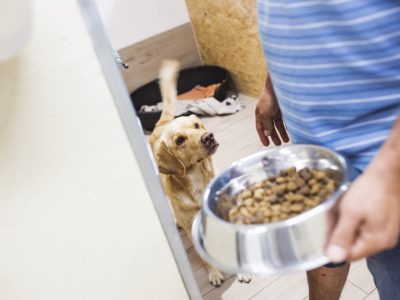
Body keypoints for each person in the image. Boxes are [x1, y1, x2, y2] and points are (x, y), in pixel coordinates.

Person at [255, 1, 400, 299]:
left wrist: (389, 169)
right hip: (314, 149)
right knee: (323, 244)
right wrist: (272, 86)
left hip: (387, 157)